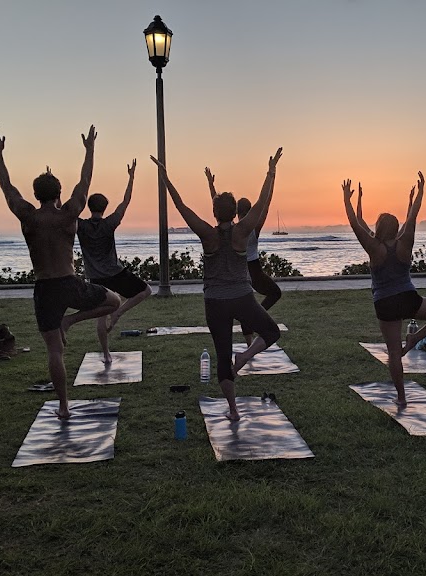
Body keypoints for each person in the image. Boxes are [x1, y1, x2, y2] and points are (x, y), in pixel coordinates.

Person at [0, 126, 121, 420]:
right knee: (114, 301)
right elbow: (85, 180)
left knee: (54, 351)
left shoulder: (27, 216)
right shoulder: (68, 215)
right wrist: (89, 149)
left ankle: (63, 407)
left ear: (36, 195)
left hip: (44, 289)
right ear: (59, 194)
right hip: (68, 283)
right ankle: (71, 321)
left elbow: (6, 186)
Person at [151, 149, 284, 421]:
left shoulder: (208, 235)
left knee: (222, 354)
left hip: (215, 302)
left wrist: (165, 178)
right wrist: (271, 172)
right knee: (271, 332)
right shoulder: (242, 232)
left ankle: (233, 411)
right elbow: (262, 202)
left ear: (214, 211)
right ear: (235, 212)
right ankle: (245, 356)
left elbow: (181, 206)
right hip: (242, 297)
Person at [343, 173, 426, 406]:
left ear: (379, 229)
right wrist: (418, 194)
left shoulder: (374, 248)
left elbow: (356, 224)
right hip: (407, 299)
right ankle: (416, 337)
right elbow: (412, 216)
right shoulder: (405, 242)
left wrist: (347, 199)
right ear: (397, 230)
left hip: (385, 304)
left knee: (394, 353)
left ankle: (402, 397)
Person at [76, 159, 152, 363]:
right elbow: (125, 202)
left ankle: (107, 355)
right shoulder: (109, 223)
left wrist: (56, 199)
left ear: (89, 207)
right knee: (146, 291)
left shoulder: (80, 226)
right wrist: (131, 177)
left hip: (95, 277)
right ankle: (119, 311)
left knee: (101, 315)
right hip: (114, 273)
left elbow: (65, 211)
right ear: (105, 207)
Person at [205, 167, 281, 346]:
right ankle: (250, 323)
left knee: (244, 303)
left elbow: (219, 208)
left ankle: (249, 333)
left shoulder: (233, 228)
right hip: (253, 269)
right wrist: (272, 176)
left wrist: (211, 185)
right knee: (274, 293)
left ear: (237, 213)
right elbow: (266, 203)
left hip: (239, 269)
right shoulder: (251, 227)